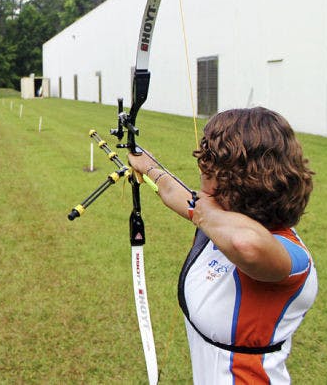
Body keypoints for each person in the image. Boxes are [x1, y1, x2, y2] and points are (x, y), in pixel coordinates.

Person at [128, 107, 316, 384]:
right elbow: (176, 193)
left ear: (228, 179)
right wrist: (149, 167)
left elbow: (246, 243)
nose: (201, 174)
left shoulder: (290, 255)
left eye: (208, 167)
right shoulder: (221, 219)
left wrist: (205, 210)